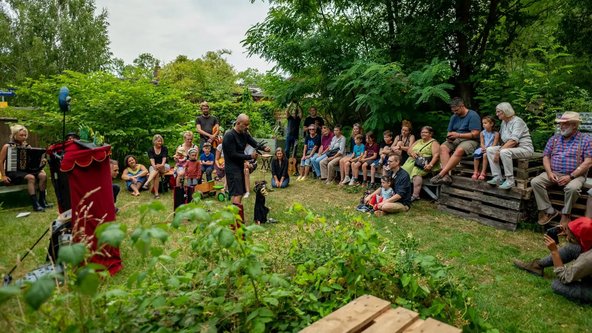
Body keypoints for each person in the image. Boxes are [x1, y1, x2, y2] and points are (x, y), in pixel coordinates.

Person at [513, 214, 592, 303]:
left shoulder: (588, 259)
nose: (567, 238)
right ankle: (537, 266)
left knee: (557, 284)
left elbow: (564, 278)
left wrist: (554, 252)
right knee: (573, 248)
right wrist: (570, 231)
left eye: (571, 237)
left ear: (581, 240)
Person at [532, 111, 592, 226]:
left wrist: (571, 176)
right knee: (536, 182)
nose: (561, 126)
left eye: (565, 123)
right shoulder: (554, 139)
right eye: (560, 124)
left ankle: (566, 215)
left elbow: (588, 162)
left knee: (572, 188)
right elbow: (546, 157)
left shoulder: (586, 140)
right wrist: (549, 173)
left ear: (574, 125)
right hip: (554, 173)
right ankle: (549, 211)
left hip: (576, 175)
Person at [222, 114, 270, 225]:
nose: (247, 127)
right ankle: (236, 222)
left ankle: (235, 218)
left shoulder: (244, 134)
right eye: (245, 125)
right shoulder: (229, 136)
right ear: (238, 123)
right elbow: (232, 154)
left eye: (248, 124)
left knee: (238, 193)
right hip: (232, 168)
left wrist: (263, 148)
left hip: (239, 167)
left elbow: (253, 142)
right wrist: (249, 157)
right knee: (237, 193)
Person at [431, 97, 481, 185]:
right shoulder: (454, 117)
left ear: (462, 106)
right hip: (456, 138)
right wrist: (449, 137)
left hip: (471, 140)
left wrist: (459, 135)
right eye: (453, 111)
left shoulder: (473, 115)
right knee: (443, 147)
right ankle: (446, 177)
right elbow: (449, 132)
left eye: (456, 110)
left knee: (460, 150)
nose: (455, 112)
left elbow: (476, 133)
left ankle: (441, 174)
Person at [0, 125, 49, 211]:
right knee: (31, 177)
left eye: (25, 135)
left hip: (27, 170)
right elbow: (1, 161)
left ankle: (42, 201)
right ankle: (35, 204)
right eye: (21, 135)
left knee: (43, 176)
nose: (24, 137)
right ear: (14, 135)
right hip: (13, 171)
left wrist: (41, 163)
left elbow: (33, 161)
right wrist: (3, 176)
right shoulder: (8, 146)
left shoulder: (28, 147)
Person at [486, 102, 533, 189]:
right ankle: (497, 177)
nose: (497, 114)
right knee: (489, 149)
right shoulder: (504, 122)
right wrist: (495, 149)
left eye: (498, 112)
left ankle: (510, 181)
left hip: (524, 149)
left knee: (504, 152)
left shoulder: (518, 121)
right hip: (512, 148)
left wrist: (498, 151)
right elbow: (503, 139)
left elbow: (513, 141)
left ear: (505, 111)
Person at [401, 126, 441, 201]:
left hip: (425, 163)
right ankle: (402, 192)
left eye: (425, 132)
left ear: (431, 134)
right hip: (412, 161)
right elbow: (409, 150)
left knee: (416, 172)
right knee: (403, 171)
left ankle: (415, 195)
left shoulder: (434, 143)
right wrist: (412, 153)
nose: (423, 134)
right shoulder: (418, 141)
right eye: (422, 132)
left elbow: (436, 156)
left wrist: (430, 165)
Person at [472, 116, 500, 181]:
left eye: (485, 123)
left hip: (491, 148)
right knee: (476, 154)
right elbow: (482, 142)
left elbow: (494, 144)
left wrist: (487, 149)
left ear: (491, 124)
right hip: (484, 147)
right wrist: (483, 147)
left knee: (485, 155)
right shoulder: (482, 133)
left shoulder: (496, 134)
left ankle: (483, 172)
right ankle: (476, 171)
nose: (483, 125)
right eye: (483, 123)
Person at [144, 134, 170, 199]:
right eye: (158, 141)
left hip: (164, 166)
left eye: (161, 141)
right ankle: (156, 194)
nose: (160, 142)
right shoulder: (150, 150)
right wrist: (155, 166)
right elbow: (152, 160)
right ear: (154, 141)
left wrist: (161, 165)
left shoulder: (164, 148)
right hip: (154, 166)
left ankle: (147, 182)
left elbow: (164, 159)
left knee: (157, 169)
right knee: (156, 173)